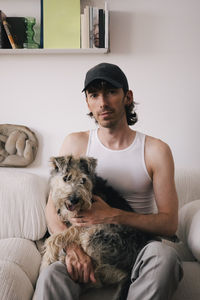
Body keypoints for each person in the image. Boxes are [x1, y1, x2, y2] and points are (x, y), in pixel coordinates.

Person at [35, 63, 183, 300]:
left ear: (127, 96)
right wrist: (72, 249)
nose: (102, 102)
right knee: (52, 275)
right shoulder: (76, 144)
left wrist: (113, 214)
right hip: (83, 244)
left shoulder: (155, 150)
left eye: (111, 92)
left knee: (165, 258)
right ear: (87, 102)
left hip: (137, 247)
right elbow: (52, 209)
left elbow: (169, 224)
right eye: (94, 95)